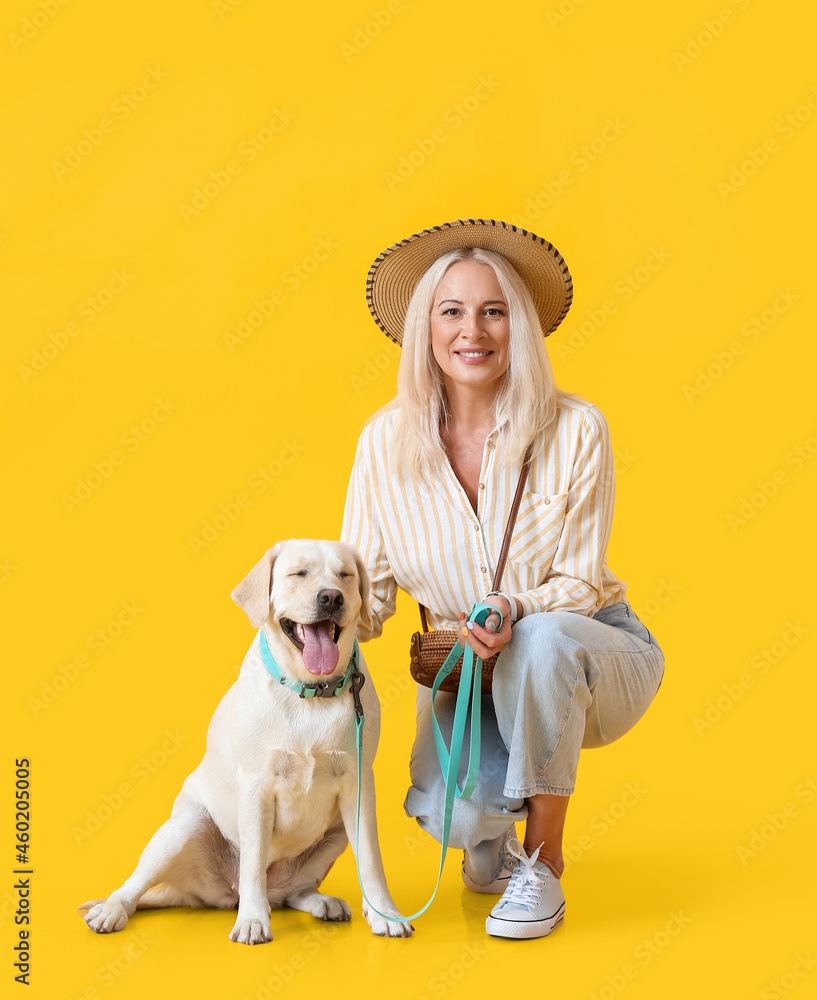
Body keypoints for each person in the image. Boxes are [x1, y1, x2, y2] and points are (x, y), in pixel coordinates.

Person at [340, 218, 665, 940]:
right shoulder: (384, 443)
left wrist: (509, 608)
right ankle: (491, 848)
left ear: (519, 326)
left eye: (494, 311)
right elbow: (369, 592)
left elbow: (579, 582)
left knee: (541, 638)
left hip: (591, 654)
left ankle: (543, 866)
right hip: (468, 669)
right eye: (451, 311)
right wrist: (304, 635)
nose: (473, 331)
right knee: (454, 820)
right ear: (425, 328)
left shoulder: (575, 429)